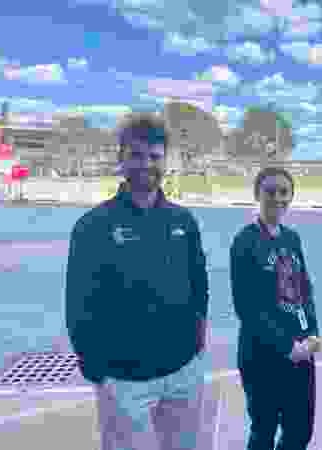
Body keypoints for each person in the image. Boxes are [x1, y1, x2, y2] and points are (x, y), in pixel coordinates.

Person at [65, 113, 210, 450]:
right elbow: (78, 303)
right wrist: (97, 369)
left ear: (165, 161)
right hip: (123, 380)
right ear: (122, 158)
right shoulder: (93, 225)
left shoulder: (183, 221)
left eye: (155, 156)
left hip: (182, 373)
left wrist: (196, 341)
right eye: (137, 155)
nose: (146, 164)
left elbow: (199, 284)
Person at [230, 167, 321, 450]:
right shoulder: (245, 241)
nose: (278, 198)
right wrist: (286, 346)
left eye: (284, 192)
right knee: (264, 429)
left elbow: (304, 290)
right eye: (270, 192)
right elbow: (246, 307)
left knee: (300, 430)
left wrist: (312, 332)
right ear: (257, 194)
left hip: (301, 351)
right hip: (262, 354)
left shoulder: (291, 238)